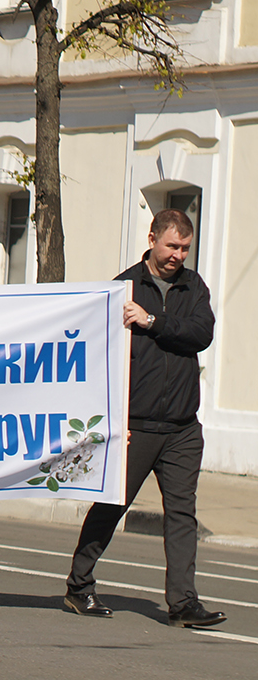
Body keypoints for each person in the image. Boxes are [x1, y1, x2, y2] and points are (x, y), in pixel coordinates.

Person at [64, 209, 226, 628]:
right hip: (135, 425)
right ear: (152, 238)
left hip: (182, 428)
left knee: (181, 513)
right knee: (111, 506)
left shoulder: (194, 286)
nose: (178, 256)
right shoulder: (124, 287)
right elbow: (101, 352)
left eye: (185, 248)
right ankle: (79, 586)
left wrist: (152, 321)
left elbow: (200, 334)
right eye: (172, 246)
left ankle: (183, 603)